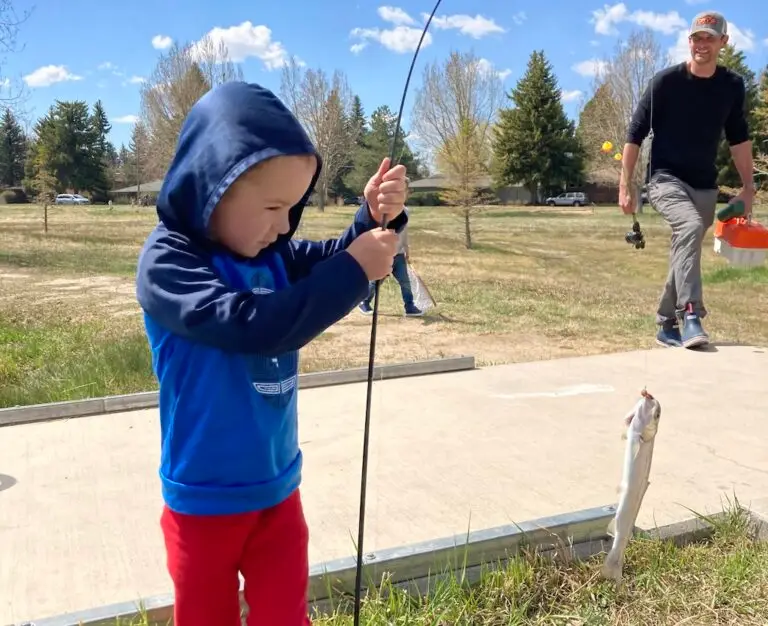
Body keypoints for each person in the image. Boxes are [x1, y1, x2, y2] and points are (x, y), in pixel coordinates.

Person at [134, 81, 408, 626]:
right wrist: (355, 269)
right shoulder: (169, 263)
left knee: (284, 616)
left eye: (295, 207)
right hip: (202, 501)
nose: (286, 225)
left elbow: (336, 255)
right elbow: (254, 326)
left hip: (278, 491)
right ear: (214, 187)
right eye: (274, 207)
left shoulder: (272, 251)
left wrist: (371, 219)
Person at [619, 10, 753, 350]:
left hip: (705, 183)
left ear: (723, 42)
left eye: (709, 38)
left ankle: (665, 323)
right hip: (665, 178)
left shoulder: (732, 86)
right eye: (696, 37)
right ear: (689, 41)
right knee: (690, 227)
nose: (702, 44)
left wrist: (748, 187)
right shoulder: (665, 83)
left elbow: (738, 138)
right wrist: (626, 185)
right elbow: (634, 135)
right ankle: (690, 313)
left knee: (687, 246)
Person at [358, 196, 423, 317]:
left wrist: (406, 249)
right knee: (376, 281)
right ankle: (364, 302)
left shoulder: (405, 211)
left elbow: (404, 233)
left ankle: (409, 306)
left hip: (399, 254)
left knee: (405, 282)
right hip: (384, 253)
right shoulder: (383, 211)